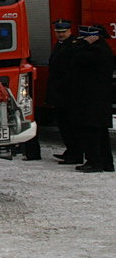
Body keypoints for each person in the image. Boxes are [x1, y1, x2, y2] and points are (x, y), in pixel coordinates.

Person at [70, 25, 115, 173]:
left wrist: (83, 44)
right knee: (100, 133)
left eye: (83, 38)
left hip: (92, 100)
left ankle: (94, 162)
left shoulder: (96, 51)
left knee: (92, 132)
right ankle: (106, 163)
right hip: (98, 99)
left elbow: (73, 55)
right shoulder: (102, 49)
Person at [46, 19, 83, 164]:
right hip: (60, 92)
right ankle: (71, 151)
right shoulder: (60, 45)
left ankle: (76, 154)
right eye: (58, 32)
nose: (60, 34)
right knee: (64, 125)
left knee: (71, 125)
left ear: (70, 31)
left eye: (63, 32)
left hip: (68, 93)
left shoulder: (73, 46)